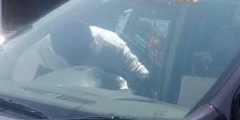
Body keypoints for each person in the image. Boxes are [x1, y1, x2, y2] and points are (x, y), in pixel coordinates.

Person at [14, 21, 150, 89]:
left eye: (75, 56)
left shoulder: (112, 45)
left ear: (90, 44)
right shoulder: (41, 50)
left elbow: (142, 75)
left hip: (110, 104)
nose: (69, 61)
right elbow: (22, 86)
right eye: (64, 56)